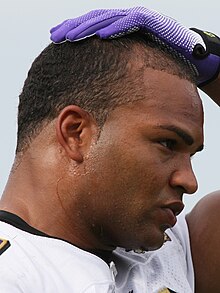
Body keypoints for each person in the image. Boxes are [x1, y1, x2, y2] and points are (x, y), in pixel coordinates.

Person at [0, 6, 218, 293]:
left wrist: (210, 60)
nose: (189, 182)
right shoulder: (13, 274)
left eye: (191, 155)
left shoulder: (180, 249)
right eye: (167, 144)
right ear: (75, 133)